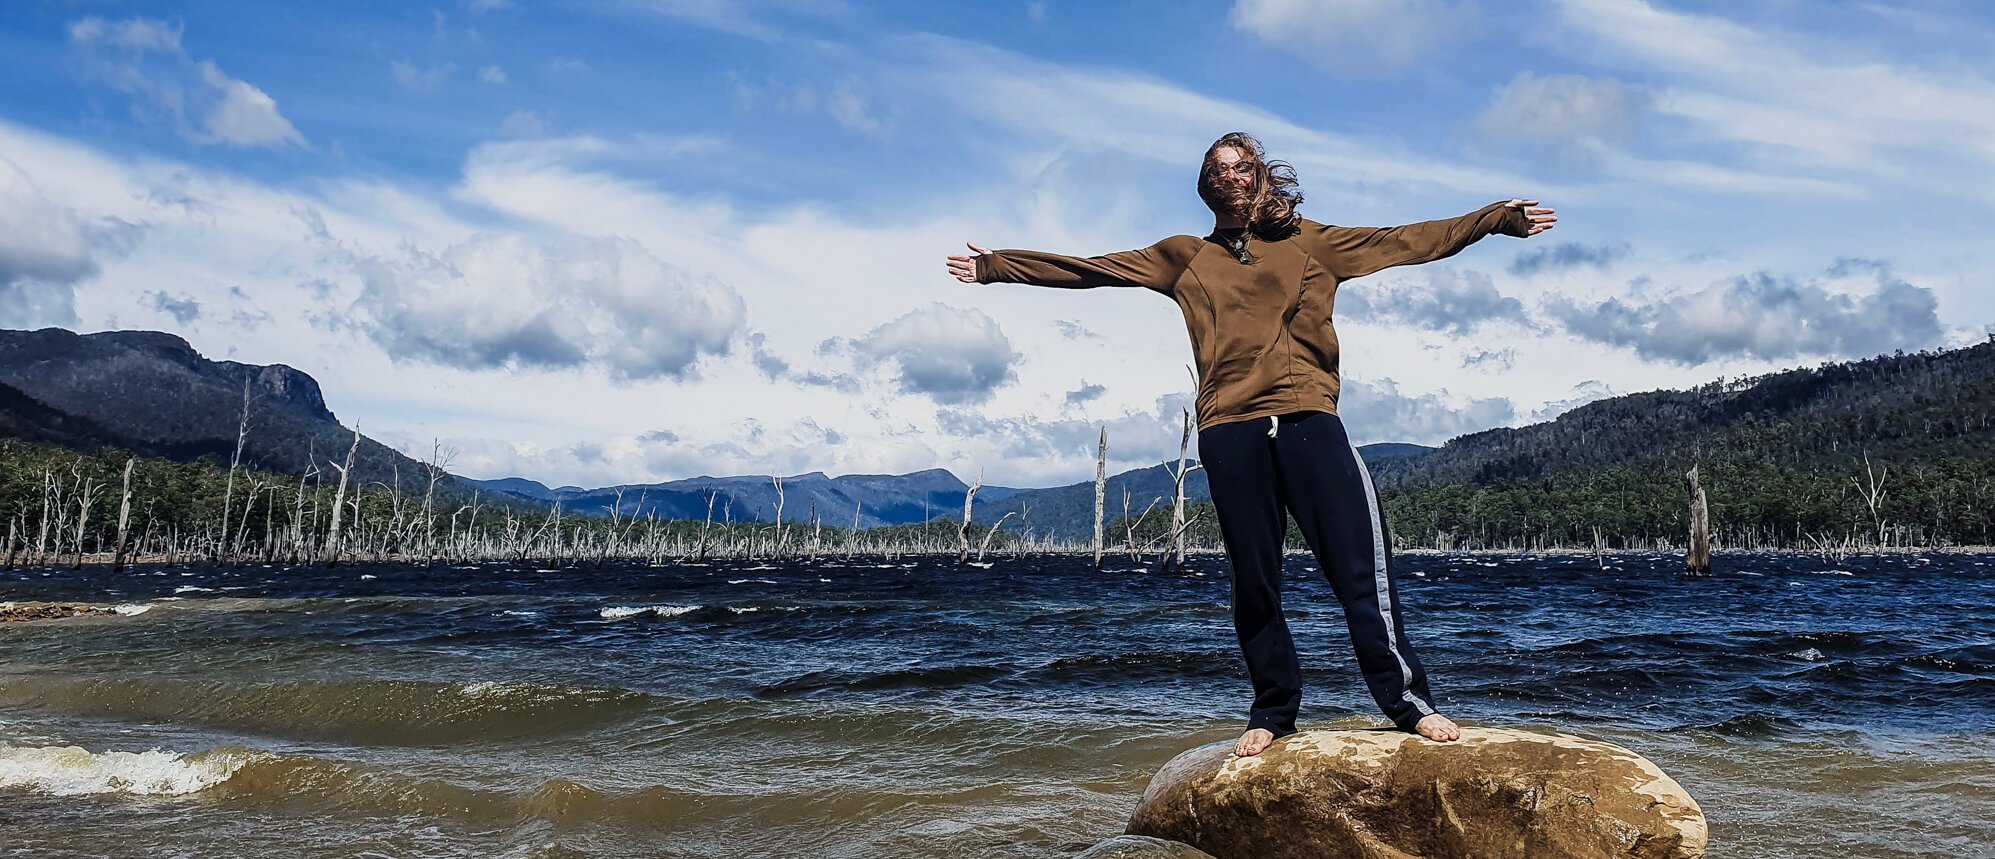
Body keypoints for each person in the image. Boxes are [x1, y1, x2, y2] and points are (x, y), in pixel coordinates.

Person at [945, 132, 1555, 756]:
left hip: (1307, 421)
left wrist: (1495, 220)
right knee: (1255, 580)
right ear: (1206, 186)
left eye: (1240, 165)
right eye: (1217, 167)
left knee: (1359, 570)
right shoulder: (1182, 256)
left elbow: (1408, 241)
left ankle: (1408, 705)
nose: (1229, 173)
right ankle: (1272, 709)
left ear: (1259, 176)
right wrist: (997, 266)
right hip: (1229, 430)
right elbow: (1090, 270)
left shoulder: (1312, 243)